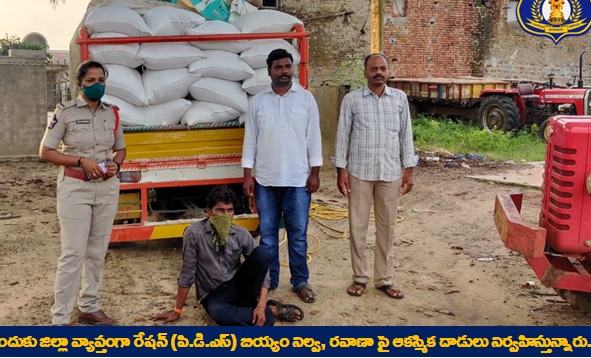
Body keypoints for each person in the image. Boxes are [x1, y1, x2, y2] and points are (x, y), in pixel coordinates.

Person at [39, 60, 127, 325]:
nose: (97, 85)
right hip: (75, 188)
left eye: (101, 80)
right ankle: (61, 317)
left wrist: (117, 164)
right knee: (73, 254)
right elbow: (46, 152)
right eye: (91, 81)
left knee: (97, 251)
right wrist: (80, 161)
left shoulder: (112, 113)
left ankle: (89, 305)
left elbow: (120, 148)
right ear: (79, 84)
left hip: (106, 188)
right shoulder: (64, 112)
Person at [152, 185, 304, 326]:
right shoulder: (194, 234)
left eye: (229, 210)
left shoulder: (240, 233)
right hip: (213, 294)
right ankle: (271, 312)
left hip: (239, 286)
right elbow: (187, 273)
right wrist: (177, 311)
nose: (225, 215)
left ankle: (261, 309)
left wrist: (261, 304)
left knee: (262, 252)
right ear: (209, 211)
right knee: (221, 314)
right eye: (220, 210)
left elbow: (263, 269)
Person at [332, 53, 418, 300]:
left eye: (382, 68)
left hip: (390, 172)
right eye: (373, 69)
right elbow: (342, 136)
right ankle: (359, 277)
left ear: (388, 71)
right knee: (357, 226)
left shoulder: (399, 99)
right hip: (359, 171)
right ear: (365, 73)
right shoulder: (352, 100)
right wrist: (341, 170)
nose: (378, 72)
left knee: (387, 227)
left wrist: (409, 169)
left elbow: (406, 136)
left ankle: (384, 279)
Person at [242, 48, 323, 304]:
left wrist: (315, 172)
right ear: (269, 72)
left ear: (293, 69)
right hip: (265, 181)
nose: (284, 71)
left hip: (298, 180)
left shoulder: (306, 100)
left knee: (298, 235)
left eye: (287, 66)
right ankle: (269, 280)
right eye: (278, 67)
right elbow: (250, 140)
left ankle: (300, 281)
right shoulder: (258, 102)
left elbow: (314, 137)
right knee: (267, 237)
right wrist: (247, 175)